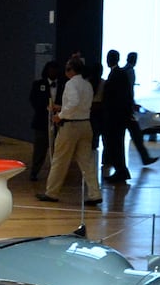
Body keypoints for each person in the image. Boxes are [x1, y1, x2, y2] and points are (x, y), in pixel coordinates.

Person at [39, 55, 100, 205]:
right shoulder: (87, 85)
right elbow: (80, 105)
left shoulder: (71, 84)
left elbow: (73, 102)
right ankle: (95, 193)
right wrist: (61, 108)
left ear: (70, 70)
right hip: (85, 124)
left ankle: (51, 192)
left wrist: (60, 115)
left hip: (71, 126)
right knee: (87, 162)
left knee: (60, 159)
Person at [100, 49, 134, 182]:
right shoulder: (121, 74)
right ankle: (121, 170)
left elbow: (115, 98)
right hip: (118, 117)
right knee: (116, 144)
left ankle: (121, 170)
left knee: (115, 144)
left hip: (115, 117)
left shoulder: (116, 75)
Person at [122, 52, 159, 165]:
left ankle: (145, 158)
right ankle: (145, 158)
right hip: (127, 109)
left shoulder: (124, 70)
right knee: (136, 134)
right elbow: (129, 91)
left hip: (125, 108)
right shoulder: (130, 71)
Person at [27, 60, 60, 183]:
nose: (53, 72)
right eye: (51, 69)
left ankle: (56, 175)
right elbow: (33, 100)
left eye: (55, 70)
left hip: (59, 122)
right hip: (41, 122)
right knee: (39, 149)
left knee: (58, 150)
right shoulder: (38, 84)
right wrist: (45, 108)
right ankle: (34, 172)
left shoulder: (63, 85)